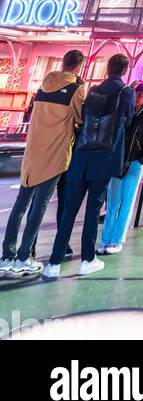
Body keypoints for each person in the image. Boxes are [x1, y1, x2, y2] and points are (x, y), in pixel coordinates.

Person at [44, 54, 134, 279]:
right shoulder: (126, 93)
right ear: (124, 71)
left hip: (82, 156)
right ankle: (87, 259)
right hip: (104, 159)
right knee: (93, 211)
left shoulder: (91, 91)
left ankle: (54, 262)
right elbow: (127, 119)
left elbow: (81, 118)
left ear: (107, 69)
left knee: (69, 211)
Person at [0, 50, 86, 278]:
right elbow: (80, 118)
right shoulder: (76, 89)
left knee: (20, 205)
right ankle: (23, 257)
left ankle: (7, 256)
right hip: (55, 155)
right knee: (39, 206)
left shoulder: (44, 85)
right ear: (78, 68)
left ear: (63, 62)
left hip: (32, 153)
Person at [98, 83, 143, 254]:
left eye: (141, 94)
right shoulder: (124, 113)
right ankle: (105, 239)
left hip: (134, 162)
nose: (138, 97)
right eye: (136, 93)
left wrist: (141, 159)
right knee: (113, 202)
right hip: (118, 161)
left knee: (126, 203)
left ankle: (116, 240)